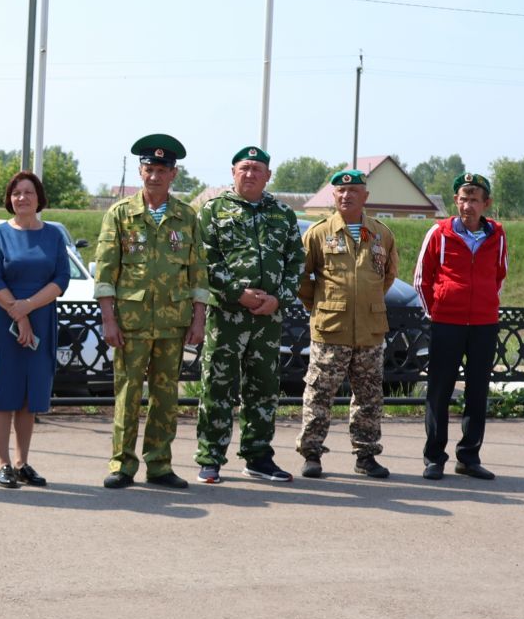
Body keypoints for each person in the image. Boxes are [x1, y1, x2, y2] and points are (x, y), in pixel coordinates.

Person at [93, 134, 207, 489]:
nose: (154, 176)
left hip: (173, 323)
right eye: (149, 169)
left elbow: (197, 272)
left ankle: (159, 465)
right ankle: (122, 465)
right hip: (131, 323)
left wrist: (199, 318)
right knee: (127, 394)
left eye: (162, 170)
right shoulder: (120, 214)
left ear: (174, 175)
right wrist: (109, 319)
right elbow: (106, 271)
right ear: (140, 171)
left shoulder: (186, 217)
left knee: (165, 396)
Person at [194, 145, 302, 484]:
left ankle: (258, 456)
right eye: (244, 168)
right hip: (227, 315)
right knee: (218, 385)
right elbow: (205, 260)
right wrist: (237, 294)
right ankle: (211, 457)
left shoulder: (282, 214)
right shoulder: (213, 211)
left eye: (257, 169)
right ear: (233, 172)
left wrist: (279, 298)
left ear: (268, 176)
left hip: (268, 319)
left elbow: (296, 262)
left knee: (264, 387)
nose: (250, 174)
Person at [295, 168, 398, 479]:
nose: (346, 195)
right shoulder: (318, 233)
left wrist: (366, 302)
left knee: (369, 396)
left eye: (354, 191)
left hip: (370, 330)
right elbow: (302, 278)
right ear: (334, 195)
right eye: (341, 191)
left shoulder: (380, 233)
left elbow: (388, 275)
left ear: (365, 196)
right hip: (331, 329)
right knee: (319, 393)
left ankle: (366, 456)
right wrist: (323, 306)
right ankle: (312, 454)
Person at [412, 171, 508, 481]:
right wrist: (436, 311)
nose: (468, 206)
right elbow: (422, 278)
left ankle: (469, 456)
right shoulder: (438, 233)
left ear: (486, 204)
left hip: (483, 324)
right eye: (463, 199)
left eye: (475, 200)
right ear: (456, 200)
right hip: (446, 323)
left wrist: (485, 305)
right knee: (439, 391)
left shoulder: (498, 235)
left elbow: (500, 275)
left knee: (477, 392)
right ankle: (434, 458)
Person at [0, 170, 71, 487]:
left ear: (39, 199)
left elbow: (62, 279)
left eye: (28, 192)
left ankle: (22, 463)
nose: (22, 198)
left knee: (29, 395)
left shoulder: (53, 235)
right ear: (10, 199)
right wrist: (18, 314)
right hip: (5, 320)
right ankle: (4, 463)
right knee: (3, 392)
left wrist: (29, 307)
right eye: (16, 192)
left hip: (42, 318)